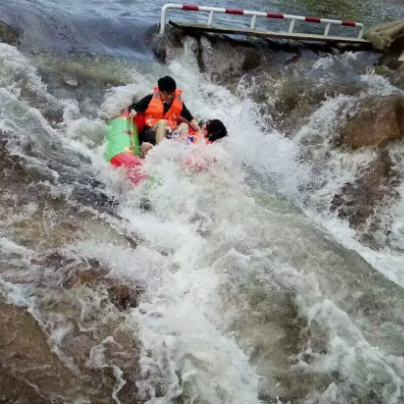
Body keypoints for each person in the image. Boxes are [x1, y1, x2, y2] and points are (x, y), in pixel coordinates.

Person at [128, 76, 199, 157]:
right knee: (162, 122)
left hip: (167, 134)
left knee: (184, 125)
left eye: (172, 93)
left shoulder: (178, 102)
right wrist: (133, 111)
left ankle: (181, 152)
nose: (169, 96)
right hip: (150, 133)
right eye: (167, 93)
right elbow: (134, 106)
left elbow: (189, 117)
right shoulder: (150, 99)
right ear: (160, 91)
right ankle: (160, 153)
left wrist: (198, 128)